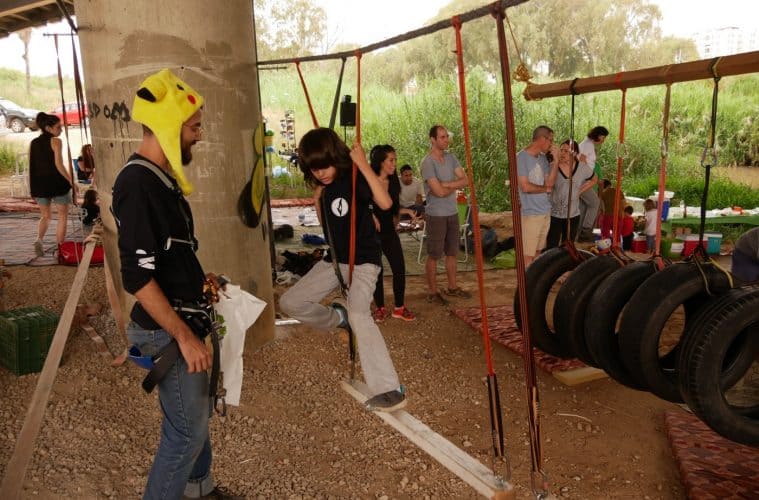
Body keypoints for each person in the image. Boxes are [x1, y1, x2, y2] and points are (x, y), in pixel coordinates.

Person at [112, 69, 239, 500]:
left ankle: (199, 490)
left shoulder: (161, 180)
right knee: (185, 433)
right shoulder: (137, 184)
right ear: (169, 125)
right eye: (194, 127)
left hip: (183, 316)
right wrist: (183, 336)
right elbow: (137, 276)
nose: (199, 135)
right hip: (164, 330)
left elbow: (168, 253)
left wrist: (197, 278)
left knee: (197, 415)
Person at [279, 127, 407, 412]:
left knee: (360, 313)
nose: (321, 173)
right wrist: (317, 200)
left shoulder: (355, 177)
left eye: (324, 166)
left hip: (364, 262)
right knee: (290, 302)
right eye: (314, 169)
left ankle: (390, 388)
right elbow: (330, 229)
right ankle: (338, 317)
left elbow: (385, 203)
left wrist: (362, 164)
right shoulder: (324, 187)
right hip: (335, 260)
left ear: (335, 157)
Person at [420, 124, 471, 304]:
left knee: (452, 252)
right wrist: (451, 186)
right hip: (436, 214)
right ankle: (433, 291)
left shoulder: (451, 157)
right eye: (442, 137)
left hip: (452, 211)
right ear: (432, 140)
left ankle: (452, 287)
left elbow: (465, 180)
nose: (446, 140)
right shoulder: (427, 163)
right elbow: (438, 192)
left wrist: (447, 184)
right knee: (434, 254)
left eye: (446, 136)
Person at [369, 145, 416, 322]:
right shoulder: (369, 180)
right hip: (372, 233)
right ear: (381, 162)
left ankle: (399, 307)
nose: (395, 163)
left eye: (395, 159)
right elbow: (361, 204)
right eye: (391, 160)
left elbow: (393, 208)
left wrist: (406, 212)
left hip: (389, 231)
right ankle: (380, 308)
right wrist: (371, 215)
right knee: (377, 271)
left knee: (399, 268)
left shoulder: (394, 182)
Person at [28, 112, 72, 257]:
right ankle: (60, 249)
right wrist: (71, 181)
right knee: (62, 216)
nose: (61, 130)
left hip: (39, 184)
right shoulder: (56, 141)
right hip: (57, 183)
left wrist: (32, 188)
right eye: (58, 127)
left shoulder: (33, 143)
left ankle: (39, 239)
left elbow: (31, 166)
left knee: (45, 216)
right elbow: (59, 164)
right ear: (48, 128)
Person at [516, 125, 559, 265]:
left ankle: (533, 278)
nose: (552, 144)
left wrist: (556, 161)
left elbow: (550, 183)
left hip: (545, 211)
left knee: (538, 252)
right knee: (528, 255)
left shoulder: (542, 158)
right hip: (531, 213)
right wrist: (546, 189)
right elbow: (525, 187)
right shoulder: (521, 158)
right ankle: (527, 279)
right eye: (550, 140)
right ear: (541, 139)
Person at [546, 139, 592, 248]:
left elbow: (594, 179)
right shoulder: (553, 166)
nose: (562, 153)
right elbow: (547, 185)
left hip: (573, 214)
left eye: (566, 151)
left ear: (574, 153)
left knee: (568, 246)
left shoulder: (582, 167)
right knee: (552, 244)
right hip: (554, 213)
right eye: (561, 150)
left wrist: (579, 191)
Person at [577, 126, 608, 242]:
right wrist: (591, 175)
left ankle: (579, 233)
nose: (603, 140)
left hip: (583, 178)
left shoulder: (586, 143)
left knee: (584, 206)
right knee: (595, 203)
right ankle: (586, 231)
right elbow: (581, 160)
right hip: (584, 178)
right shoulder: (588, 144)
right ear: (599, 135)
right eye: (603, 137)